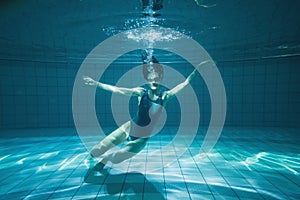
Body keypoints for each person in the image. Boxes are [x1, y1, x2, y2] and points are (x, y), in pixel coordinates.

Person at [83, 54, 209, 170]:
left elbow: (185, 83)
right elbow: (117, 90)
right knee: (98, 149)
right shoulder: (141, 92)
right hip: (128, 128)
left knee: (116, 158)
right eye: (150, 78)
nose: (154, 81)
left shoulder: (164, 97)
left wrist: (198, 68)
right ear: (146, 79)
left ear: (161, 78)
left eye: (156, 78)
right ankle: (88, 160)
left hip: (141, 138)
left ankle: (106, 160)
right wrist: (96, 83)